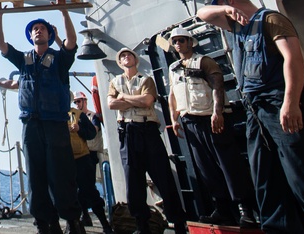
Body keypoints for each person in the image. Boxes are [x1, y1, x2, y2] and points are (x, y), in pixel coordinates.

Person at [197, 0, 304, 234]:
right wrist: (224, 12)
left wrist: (290, 103)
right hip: (255, 113)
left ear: (230, 0)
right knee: (266, 182)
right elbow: (202, 14)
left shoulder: (271, 20)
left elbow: (293, 59)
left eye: (221, 4)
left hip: (281, 106)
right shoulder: (236, 26)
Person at [0, 0, 86, 234]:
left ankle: (72, 221)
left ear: (50, 34)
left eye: (42, 28)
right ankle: (46, 222)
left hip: (55, 124)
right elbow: (0, 44)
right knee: (36, 176)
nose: (38, 30)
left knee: (61, 174)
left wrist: (64, 12)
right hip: (31, 126)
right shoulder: (23, 60)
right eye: (35, 29)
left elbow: (72, 42)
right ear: (31, 37)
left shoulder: (60, 60)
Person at [165, 26, 257, 227]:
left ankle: (245, 209)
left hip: (211, 120)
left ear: (190, 42)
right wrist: (174, 119)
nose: (179, 44)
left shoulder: (205, 62)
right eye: (175, 41)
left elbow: (218, 86)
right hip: (190, 122)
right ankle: (222, 209)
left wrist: (217, 112)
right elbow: (173, 94)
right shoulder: (173, 68)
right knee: (206, 169)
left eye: (182, 40)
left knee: (229, 164)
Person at [108, 47, 188, 234]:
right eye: (122, 56)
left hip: (148, 131)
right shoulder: (115, 81)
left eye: (128, 55)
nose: (126, 57)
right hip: (128, 132)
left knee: (163, 176)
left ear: (135, 59)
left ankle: (177, 221)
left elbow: (147, 101)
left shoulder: (146, 80)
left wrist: (124, 98)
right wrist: (135, 99)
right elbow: (111, 104)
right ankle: (141, 224)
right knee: (133, 181)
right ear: (120, 63)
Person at [70, 91, 114, 234]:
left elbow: (92, 132)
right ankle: (78, 221)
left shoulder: (79, 115)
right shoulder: (61, 116)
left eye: (78, 101)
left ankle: (104, 223)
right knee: (73, 193)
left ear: (84, 101)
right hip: (67, 160)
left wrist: (79, 129)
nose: (76, 104)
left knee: (88, 190)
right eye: (75, 102)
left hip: (85, 157)